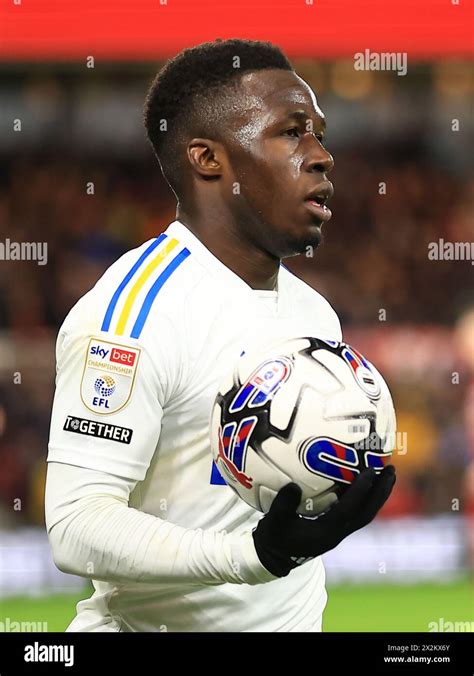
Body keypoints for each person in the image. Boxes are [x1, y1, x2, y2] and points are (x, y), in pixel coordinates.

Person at [45, 38, 396, 632]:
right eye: (292, 132)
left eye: (320, 135)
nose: (321, 156)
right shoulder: (132, 312)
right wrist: (253, 559)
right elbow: (76, 525)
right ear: (210, 160)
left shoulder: (315, 316)